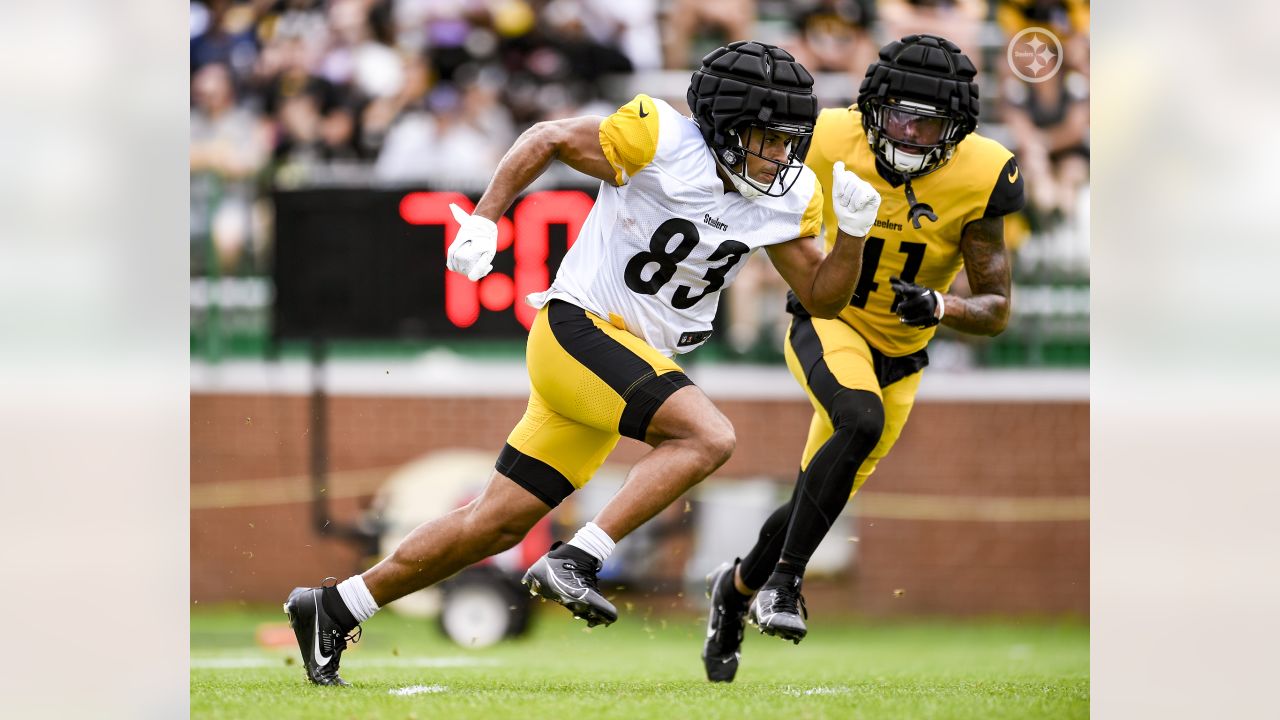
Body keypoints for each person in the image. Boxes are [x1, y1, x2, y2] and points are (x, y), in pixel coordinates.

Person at [282, 40, 884, 686]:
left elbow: (822, 296)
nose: (783, 155)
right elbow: (546, 138)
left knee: (495, 524)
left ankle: (335, 607)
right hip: (579, 329)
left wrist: (852, 236)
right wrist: (486, 219)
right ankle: (576, 559)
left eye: (791, 139)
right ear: (725, 128)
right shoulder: (658, 136)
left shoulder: (787, 196)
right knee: (709, 435)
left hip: (622, 361)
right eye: (769, 137)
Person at [701, 34, 1025, 682]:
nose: (906, 133)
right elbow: (741, 174)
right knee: (860, 421)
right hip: (829, 319)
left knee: (813, 495)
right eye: (896, 115)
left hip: (902, 356)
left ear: (955, 130)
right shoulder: (824, 136)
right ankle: (785, 587)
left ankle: (734, 592)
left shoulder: (985, 172)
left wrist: (941, 306)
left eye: (925, 122)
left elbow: (995, 307)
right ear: (870, 108)